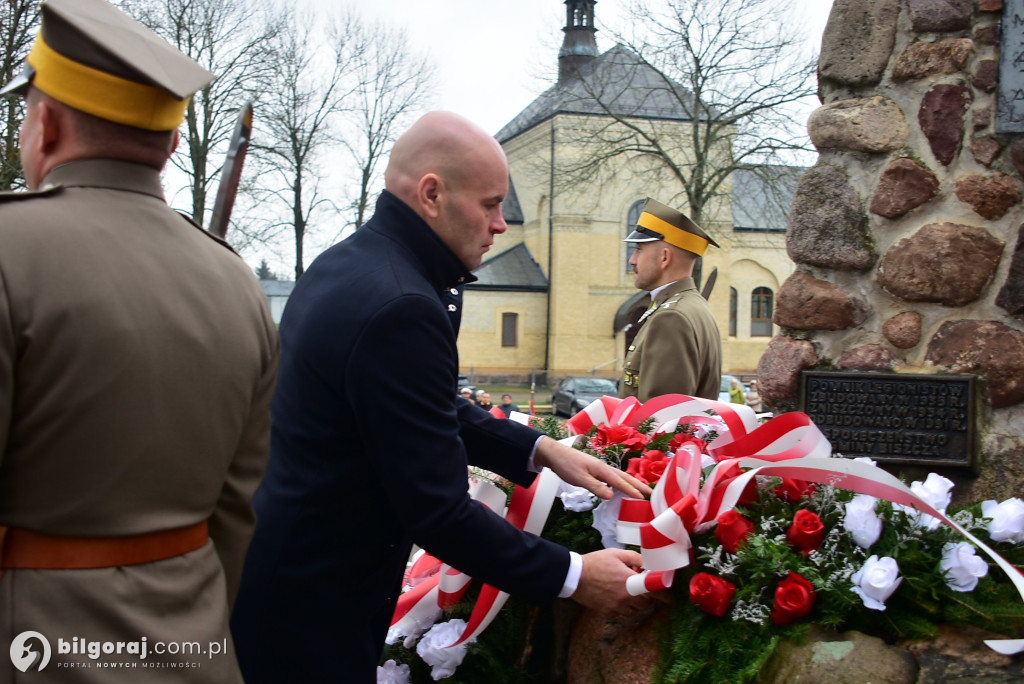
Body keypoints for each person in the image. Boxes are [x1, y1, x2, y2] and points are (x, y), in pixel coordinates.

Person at [230, 111, 650, 682]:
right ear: (432, 194)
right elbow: (436, 510)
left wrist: (538, 450)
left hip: (286, 574)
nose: (502, 224)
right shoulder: (403, 303)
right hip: (315, 606)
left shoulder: (351, 263)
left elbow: (415, 404)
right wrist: (574, 575)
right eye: (489, 204)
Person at [0, 0, 279, 681]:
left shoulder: (9, 250)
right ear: (172, 144)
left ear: (49, 123)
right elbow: (235, 519)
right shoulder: (238, 283)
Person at [620, 198, 722, 402]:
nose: (632, 260)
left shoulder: (671, 318)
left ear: (664, 258)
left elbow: (659, 422)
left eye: (639, 250)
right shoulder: (691, 306)